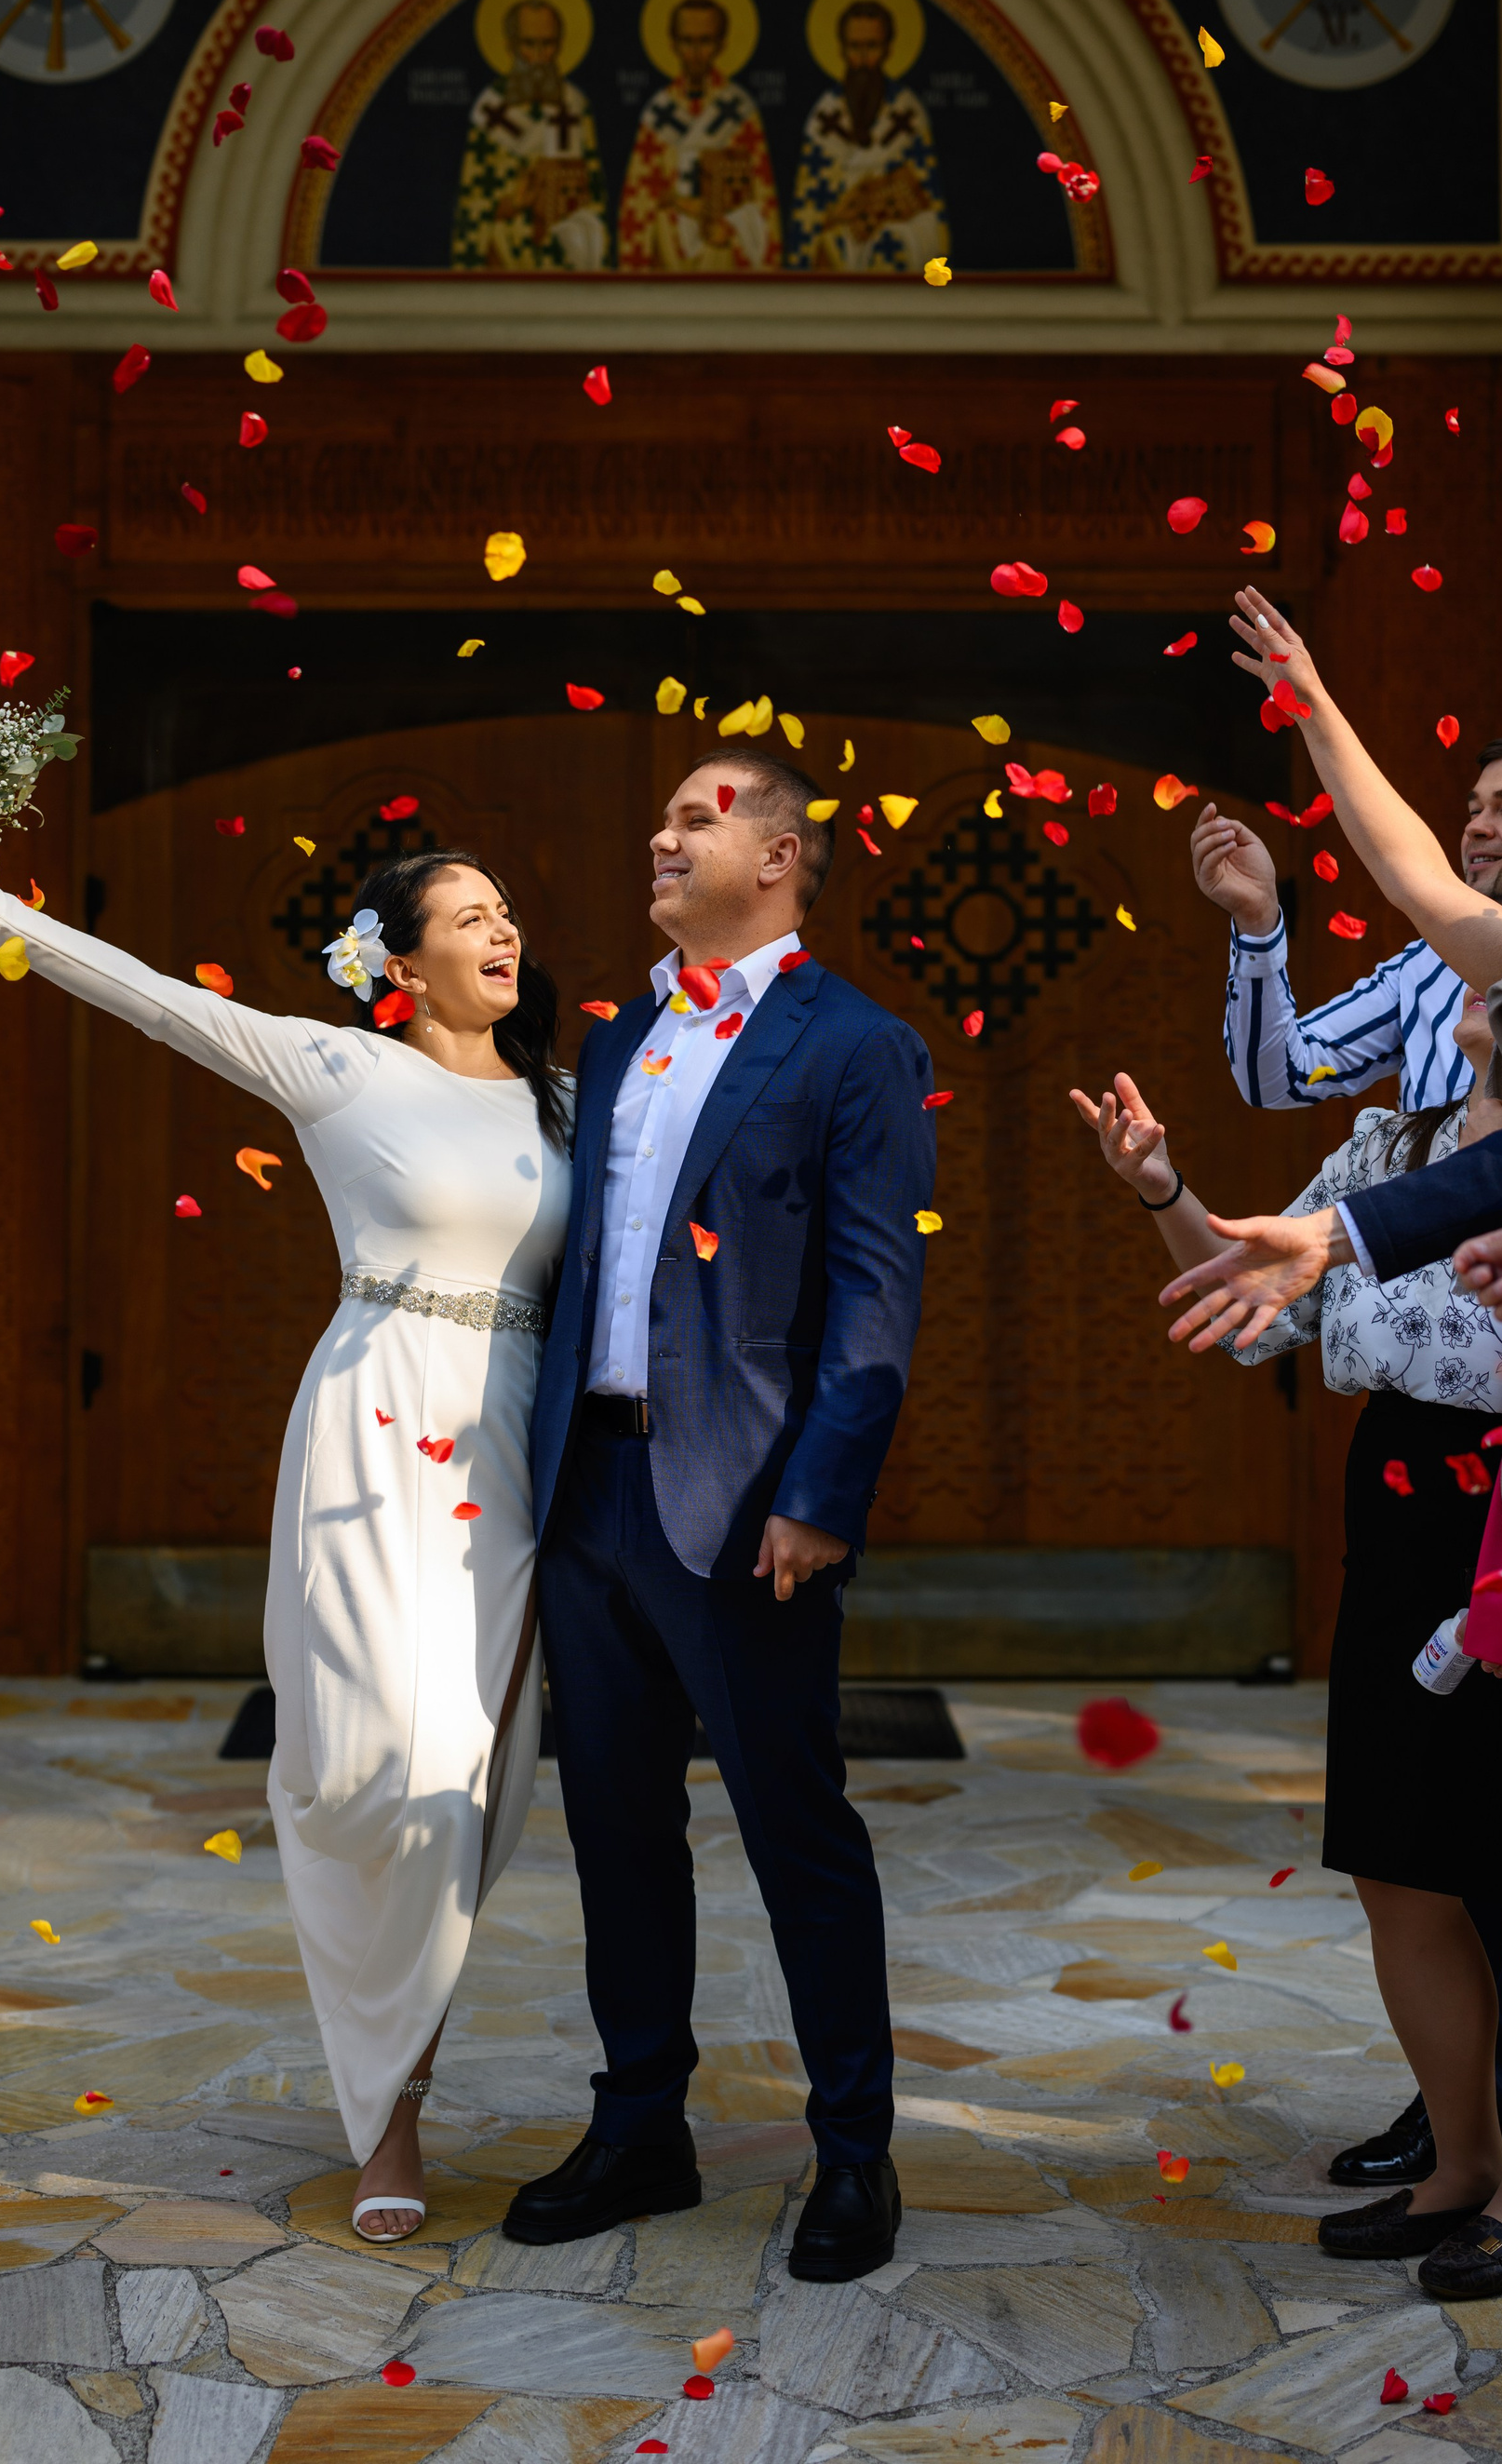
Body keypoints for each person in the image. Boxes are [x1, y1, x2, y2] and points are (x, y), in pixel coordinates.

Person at [0, 815, 573, 2245]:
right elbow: (156, 999)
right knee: (371, 1768)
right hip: (374, 1428)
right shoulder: (342, 1070)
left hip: (515, 1452)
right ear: (399, 964)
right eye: (469, 917)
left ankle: (397, 2085)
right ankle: (388, 2116)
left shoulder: (568, 1105)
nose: (503, 931)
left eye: (506, 911)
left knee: (476, 1782)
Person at [1159, 593, 1502, 2291]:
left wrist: (1343, 1237)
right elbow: (1412, 879)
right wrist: (1316, 706)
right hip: (1415, 1488)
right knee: (1405, 1854)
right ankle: (1459, 2157)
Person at [499, 747, 935, 2282]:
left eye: (698, 817)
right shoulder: (621, 1038)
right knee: (617, 1829)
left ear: (782, 853)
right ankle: (641, 2127)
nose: (663, 834)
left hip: (747, 1506)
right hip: (591, 1489)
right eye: (665, 814)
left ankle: (855, 2153)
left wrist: (820, 1495)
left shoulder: (858, 1045)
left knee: (797, 1833)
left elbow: (876, 1294)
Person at [1196, 735, 1502, 1115]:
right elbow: (1279, 1078)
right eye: (1474, 811)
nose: (1476, 828)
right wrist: (1257, 922)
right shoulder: (1426, 963)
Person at [618, 0, 781, 272]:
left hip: (723, 244)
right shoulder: (658, 112)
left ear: (721, 45)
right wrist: (677, 205)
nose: (695, 52)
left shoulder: (740, 110)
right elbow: (640, 196)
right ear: (673, 44)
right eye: (687, 41)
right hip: (669, 249)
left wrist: (727, 223)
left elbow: (760, 195)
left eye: (705, 41)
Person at [788, 0, 947, 274]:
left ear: (888, 49)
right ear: (841, 49)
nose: (862, 58)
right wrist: (836, 216)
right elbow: (807, 209)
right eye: (854, 46)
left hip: (896, 257)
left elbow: (929, 206)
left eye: (872, 46)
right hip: (836, 260)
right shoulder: (824, 116)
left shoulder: (908, 115)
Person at [452, 0, 609, 272]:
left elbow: (595, 193)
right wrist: (514, 203)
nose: (539, 56)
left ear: (560, 45)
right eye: (529, 44)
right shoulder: (491, 111)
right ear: (510, 46)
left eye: (548, 44)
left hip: (563, 258)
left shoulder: (574, 105)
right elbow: (472, 205)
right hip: (505, 258)